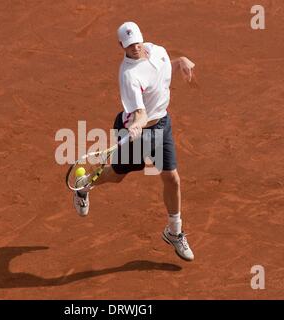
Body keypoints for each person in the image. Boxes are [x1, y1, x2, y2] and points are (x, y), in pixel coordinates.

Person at [73, 22, 196, 261]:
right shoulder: (129, 75)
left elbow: (160, 71)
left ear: (142, 38)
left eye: (137, 42)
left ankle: (175, 231)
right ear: (122, 46)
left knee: (172, 178)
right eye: (129, 46)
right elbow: (139, 113)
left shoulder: (158, 51)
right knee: (117, 176)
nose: (135, 48)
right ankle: (84, 183)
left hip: (163, 126)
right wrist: (138, 124)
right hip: (136, 133)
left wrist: (180, 61)